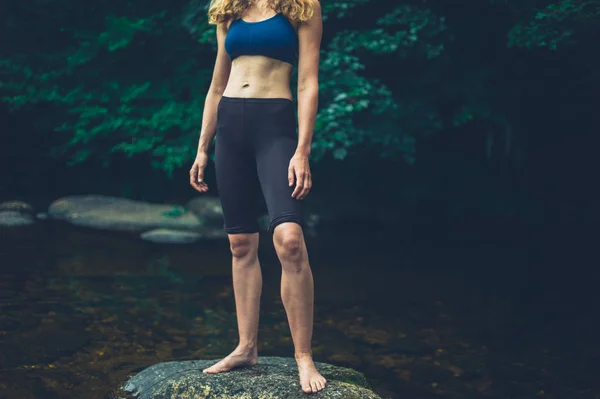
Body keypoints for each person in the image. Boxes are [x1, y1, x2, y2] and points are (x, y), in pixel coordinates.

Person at [188, 0, 325, 393]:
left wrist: (302, 150)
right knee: (240, 243)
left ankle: (303, 356)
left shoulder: (303, 6)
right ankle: (247, 347)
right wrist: (202, 147)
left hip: (275, 129)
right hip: (231, 127)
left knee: (290, 240)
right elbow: (216, 84)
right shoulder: (228, 8)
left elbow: (307, 81)